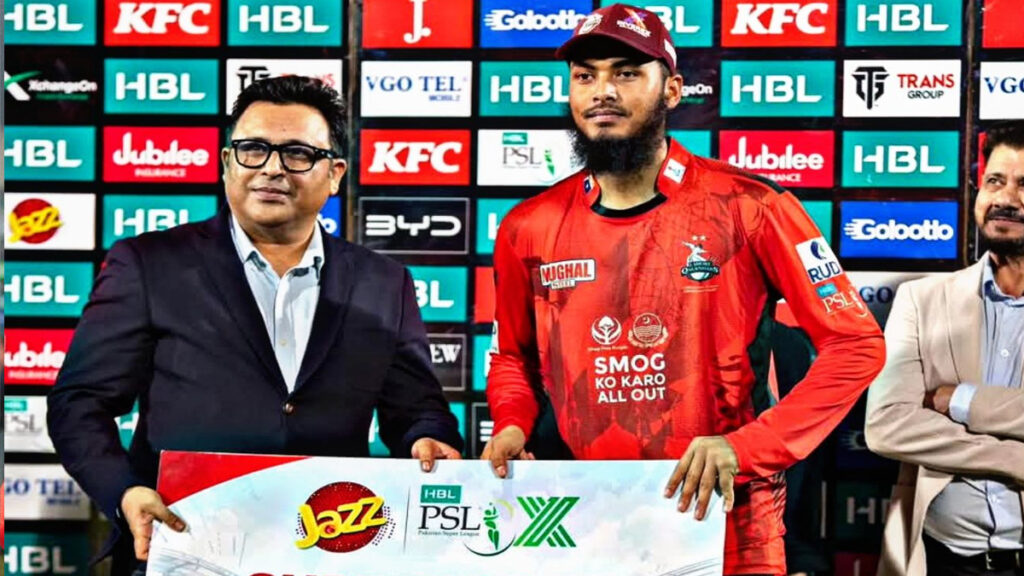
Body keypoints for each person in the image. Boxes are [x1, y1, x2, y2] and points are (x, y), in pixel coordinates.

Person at [481, 4, 885, 575]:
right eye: (585, 75)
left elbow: (856, 345)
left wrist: (748, 448)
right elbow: (513, 358)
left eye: (626, 73)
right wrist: (511, 423)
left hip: (727, 520)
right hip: (585, 516)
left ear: (671, 90)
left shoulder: (752, 206)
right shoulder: (528, 225)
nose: (602, 91)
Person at [47, 76, 463, 576]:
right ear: (227, 162)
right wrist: (125, 492)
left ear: (335, 174)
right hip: (182, 546)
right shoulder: (149, 264)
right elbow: (80, 403)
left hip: (330, 549)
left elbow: (417, 409)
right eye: (253, 149)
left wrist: (427, 439)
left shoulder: (384, 283)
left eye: (297, 154)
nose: (271, 168)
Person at [866, 121, 1024, 576]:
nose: (1005, 198)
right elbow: (885, 426)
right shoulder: (921, 299)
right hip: (941, 559)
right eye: (994, 181)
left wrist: (960, 401)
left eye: (1023, 185)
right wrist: (1014, 458)